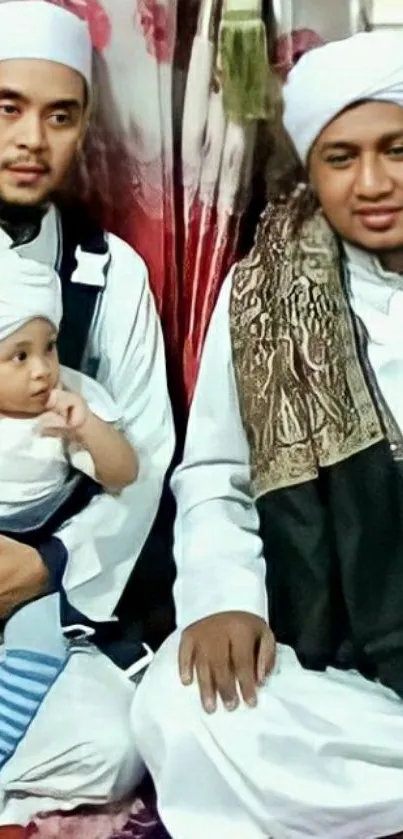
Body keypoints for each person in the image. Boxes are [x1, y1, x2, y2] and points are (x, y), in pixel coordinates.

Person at [133, 30, 403, 839]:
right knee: (178, 703)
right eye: (341, 158)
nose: (374, 182)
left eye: (396, 148)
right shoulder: (259, 293)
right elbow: (215, 469)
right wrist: (221, 599)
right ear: (310, 172)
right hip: (338, 650)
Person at [0, 0, 174, 827]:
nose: (33, 139)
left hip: (48, 586)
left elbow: (144, 455)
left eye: (59, 115)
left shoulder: (110, 274)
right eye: (8, 108)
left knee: (112, 746)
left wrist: (49, 563)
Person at [0, 249, 137, 768]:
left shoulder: (67, 404)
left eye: (50, 348)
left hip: (40, 554)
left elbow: (124, 475)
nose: (42, 371)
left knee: (37, 640)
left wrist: (89, 430)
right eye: (19, 356)